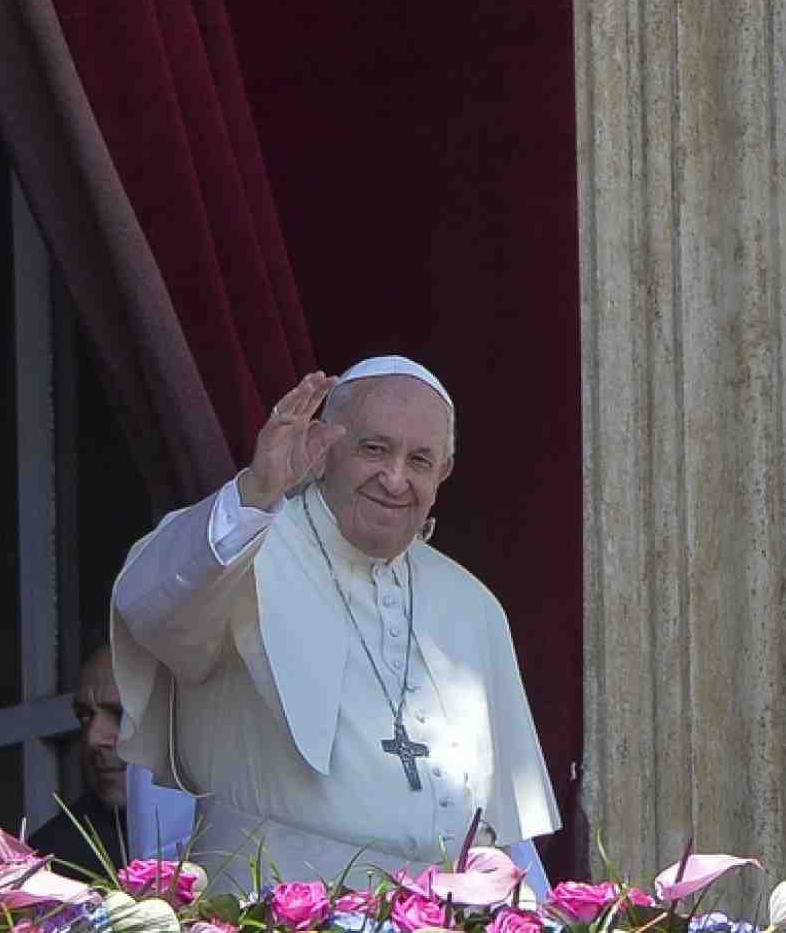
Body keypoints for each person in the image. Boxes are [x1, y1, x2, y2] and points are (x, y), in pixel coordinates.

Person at [111, 356, 559, 891]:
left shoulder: (472, 604)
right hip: (271, 906)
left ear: (442, 475)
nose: (395, 479)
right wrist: (255, 492)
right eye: (374, 449)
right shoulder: (243, 548)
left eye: (420, 460)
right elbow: (150, 603)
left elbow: (502, 833)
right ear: (324, 451)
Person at [28, 644, 129, 872]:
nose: (93, 738)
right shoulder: (46, 865)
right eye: (84, 716)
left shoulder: (220, 830)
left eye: (119, 713)